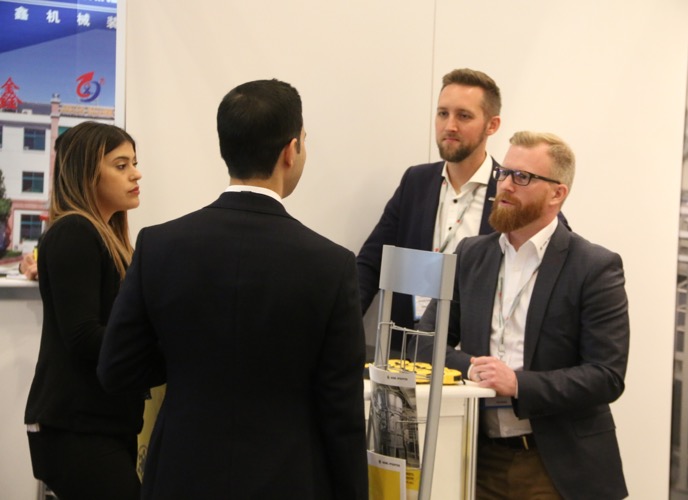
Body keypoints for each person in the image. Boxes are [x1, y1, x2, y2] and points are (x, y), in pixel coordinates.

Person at [97, 79, 369, 500]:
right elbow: (342, 411)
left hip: (180, 474)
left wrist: (188, 361)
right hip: (288, 478)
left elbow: (117, 369)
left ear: (226, 146)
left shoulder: (159, 246)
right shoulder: (331, 265)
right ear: (291, 150)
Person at [413, 131, 629, 499]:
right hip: (476, 456)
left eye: (522, 177)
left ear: (557, 194)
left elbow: (606, 376)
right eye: (504, 173)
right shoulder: (471, 254)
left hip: (554, 463)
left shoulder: (593, 267)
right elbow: (426, 344)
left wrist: (517, 384)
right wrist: (473, 369)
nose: (506, 185)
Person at [24, 121, 145, 499]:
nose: (136, 174)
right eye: (121, 165)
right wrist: (156, 347)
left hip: (101, 423)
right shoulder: (75, 232)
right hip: (76, 426)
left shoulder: (105, 238)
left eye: (134, 163)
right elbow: (83, 336)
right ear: (86, 173)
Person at [357, 68, 502, 344]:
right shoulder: (417, 182)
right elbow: (371, 263)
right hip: (409, 348)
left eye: (464, 116)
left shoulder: (511, 190)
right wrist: (338, 331)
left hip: (473, 354)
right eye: (443, 113)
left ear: (492, 125)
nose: (450, 126)